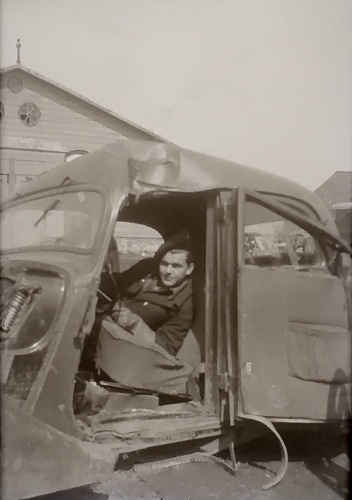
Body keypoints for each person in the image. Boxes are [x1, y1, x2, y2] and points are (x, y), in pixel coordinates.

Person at [103, 232, 195, 357]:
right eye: (164, 264)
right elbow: (116, 282)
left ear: (189, 269)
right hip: (102, 318)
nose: (168, 271)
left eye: (176, 266)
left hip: (122, 346)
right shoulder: (146, 268)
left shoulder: (184, 304)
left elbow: (166, 348)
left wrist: (134, 323)